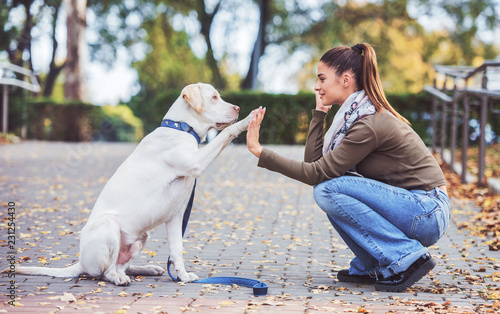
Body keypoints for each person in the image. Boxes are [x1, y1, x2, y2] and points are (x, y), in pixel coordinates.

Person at [246, 43, 450, 292]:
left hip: (427, 211)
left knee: (328, 190)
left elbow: (316, 174)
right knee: (329, 189)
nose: (316, 86)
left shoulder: (368, 123)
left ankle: (406, 256)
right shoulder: (355, 116)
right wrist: (319, 114)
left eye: (322, 78)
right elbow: (315, 166)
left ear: (345, 79)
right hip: (416, 208)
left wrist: (260, 151)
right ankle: (372, 263)